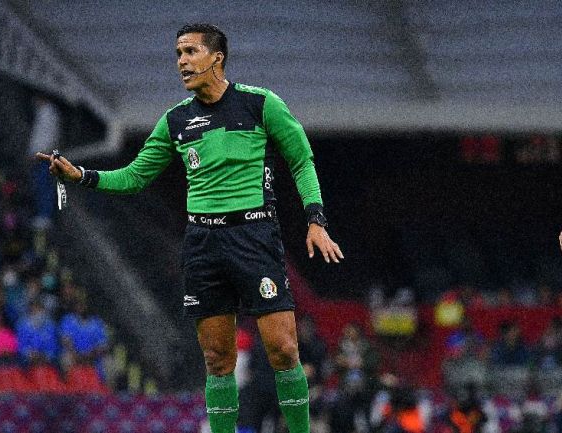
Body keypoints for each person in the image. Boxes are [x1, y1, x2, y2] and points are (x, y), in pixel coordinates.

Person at [37, 23, 342, 433]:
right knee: (217, 359)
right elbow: (134, 176)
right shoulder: (176, 120)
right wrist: (83, 176)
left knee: (284, 349)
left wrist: (315, 219)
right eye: (178, 53)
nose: (181, 61)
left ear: (217, 57)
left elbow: (302, 160)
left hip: (254, 237)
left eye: (191, 52)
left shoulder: (260, 104)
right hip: (203, 244)